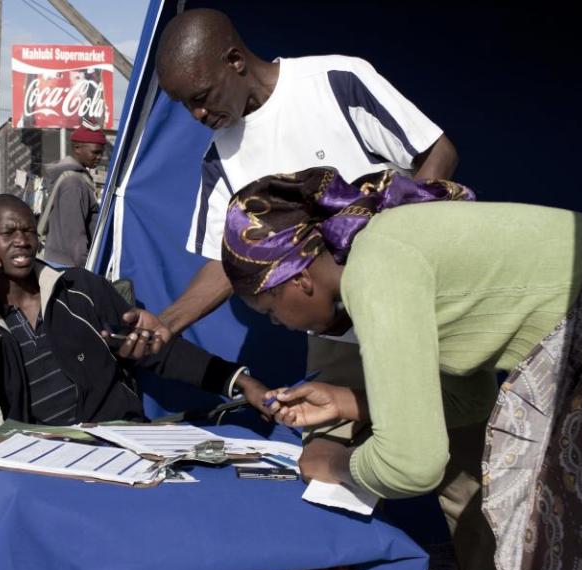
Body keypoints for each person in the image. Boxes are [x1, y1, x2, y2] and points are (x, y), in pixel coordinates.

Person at [221, 167, 582, 570]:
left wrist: (332, 461)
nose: (282, 326)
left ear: (297, 280)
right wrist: (348, 403)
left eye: (271, 312)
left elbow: (412, 465)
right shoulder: (386, 244)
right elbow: (471, 401)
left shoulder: (375, 271)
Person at [153, 8, 458, 392]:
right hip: (339, 340)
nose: (197, 113)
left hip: (421, 314)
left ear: (234, 60)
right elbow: (226, 262)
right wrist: (167, 323)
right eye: (185, 105)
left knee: (445, 440)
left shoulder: (335, 82)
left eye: (201, 97)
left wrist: (391, 256)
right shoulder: (219, 160)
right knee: (322, 453)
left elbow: (437, 152)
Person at [0, 194, 270, 424]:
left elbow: (154, 350)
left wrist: (238, 382)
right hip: (41, 457)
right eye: (8, 233)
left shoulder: (81, 289)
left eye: (28, 230)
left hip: (116, 439)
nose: (22, 240)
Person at [39, 127, 104, 267]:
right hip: (69, 266)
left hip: (64, 263)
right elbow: (75, 236)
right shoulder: (73, 183)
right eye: (95, 152)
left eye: (101, 153)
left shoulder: (75, 178)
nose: (99, 157)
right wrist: (85, 270)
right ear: (77, 148)